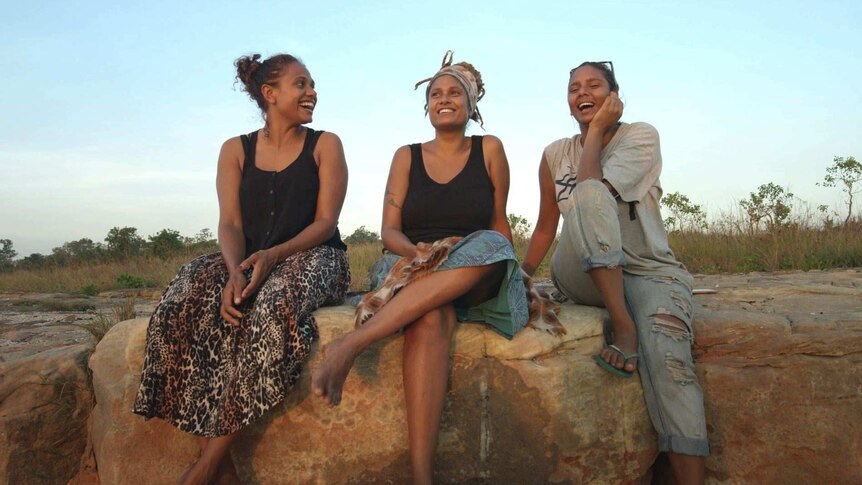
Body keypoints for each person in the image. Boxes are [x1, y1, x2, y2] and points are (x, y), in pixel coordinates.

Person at [133, 53, 350, 485]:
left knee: (271, 305)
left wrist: (274, 257)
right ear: (270, 94)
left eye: (312, 85)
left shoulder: (325, 144)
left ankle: (208, 464)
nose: (312, 93)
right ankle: (225, 471)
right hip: (248, 258)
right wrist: (234, 271)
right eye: (301, 84)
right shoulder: (235, 150)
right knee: (185, 299)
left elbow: (326, 221)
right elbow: (229, 222)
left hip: (315, 256)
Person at [312, 51, 528, 485]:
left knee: (491, 244)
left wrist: (512, 270)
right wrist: (417, 254)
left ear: (471, 104)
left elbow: (498, 222)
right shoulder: (406, 155)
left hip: (470, 263)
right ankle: (422, 477)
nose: (443, 99)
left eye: (454, 93)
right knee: (430, 318)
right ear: (426, 105)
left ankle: (353, 343)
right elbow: (389, 231)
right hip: (412, 262)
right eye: (435, 94)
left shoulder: (490, 148)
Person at [520, 61, 708, 484]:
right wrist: (524, 272)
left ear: (614, 95)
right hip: (581, 271)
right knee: (584, 196)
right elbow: (548, 224)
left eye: (594, 86)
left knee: (669, 361)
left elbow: (596, 189)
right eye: (574, 88)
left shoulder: (640, 136)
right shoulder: (554, 154)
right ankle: (623, 325)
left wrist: (600, 130)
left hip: (648, 271)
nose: (582, 93)